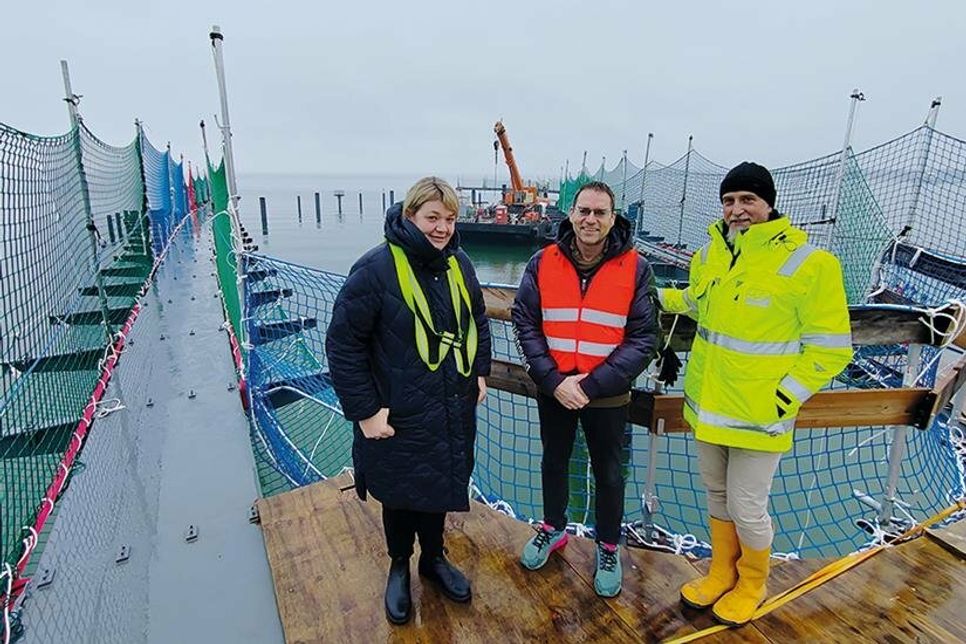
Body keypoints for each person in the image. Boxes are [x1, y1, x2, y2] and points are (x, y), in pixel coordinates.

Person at [658, 162, 852, 625]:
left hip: (760, 414)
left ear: (769, 203)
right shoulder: (710, 255)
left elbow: (832, 348)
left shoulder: (809, 263)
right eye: (729, 201)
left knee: (748, 505)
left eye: (748, 199)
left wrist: (787, 395)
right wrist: (651, 296)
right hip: (707, 406)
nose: (737, 209)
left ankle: (752, 582)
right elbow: (694, 299)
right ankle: (720, 571)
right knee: (717, 495)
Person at [326, 177, 492, 625]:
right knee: (400, 493)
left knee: (438, 484)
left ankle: (433, 559)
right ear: (410, 217)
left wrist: (480, 370)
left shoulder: (459, 264)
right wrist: (363, 412)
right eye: (432, 218)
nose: (441, 228)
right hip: (396, 410)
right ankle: (399, 564)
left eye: (450, 219)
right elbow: (343, 344)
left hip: (450, 406)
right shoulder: (375, 268)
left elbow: (477, 316)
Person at [512, 181, 660, 597]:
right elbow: (525, 320)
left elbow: (643, 338)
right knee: (553, 462)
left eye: (600, 213)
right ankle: (553, 528)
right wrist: (554, 380)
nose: (590, 220)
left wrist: (592, 385)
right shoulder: (543, 262)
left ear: (613, 219)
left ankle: (608, 545)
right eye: (584, 211)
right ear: (571, 214)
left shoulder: (636, 266)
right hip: (555, 389)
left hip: (607, 394)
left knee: (610, 473)